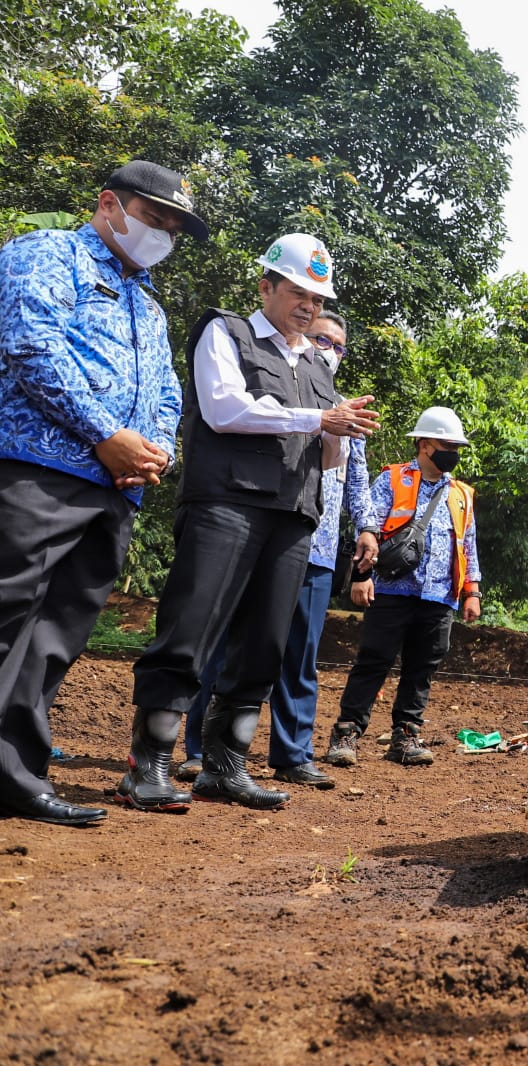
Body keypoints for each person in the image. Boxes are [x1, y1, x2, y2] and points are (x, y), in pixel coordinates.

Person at [122, 234, 378, 813]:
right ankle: (149, 766)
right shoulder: (227, 333)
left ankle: (224, 767)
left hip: (292, 516)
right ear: (266, 287)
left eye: (317, 297)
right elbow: (222, 408)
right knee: (190, 633)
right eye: (297, 292)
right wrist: (320, 416)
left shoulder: (316, 363)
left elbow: (327, 455)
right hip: (226, 506)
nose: (309, 305)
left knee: (264, 643)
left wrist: (341, 430)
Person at [0, 161, 207, 826]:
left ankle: (16, 774)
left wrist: (154, 450)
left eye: (175, 227)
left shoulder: (148, 304)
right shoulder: (47, 254)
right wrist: (105, 434)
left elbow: (168, 391)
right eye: (156, 218)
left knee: (53, 639)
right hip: (40, 470)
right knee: (7, 620)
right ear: (109, 204)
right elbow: (31, 347)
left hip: (114, 492)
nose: (164, 234)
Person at [173, 312, 380, 788]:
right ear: (300, 340)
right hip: (254, 528)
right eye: (321, 339)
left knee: (296, 656)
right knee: (223, 644)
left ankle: (293, 753)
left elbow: (354, 475)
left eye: (338, 346)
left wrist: (367, 527)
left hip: (316, 547)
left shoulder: (344, 408)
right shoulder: (268, 380)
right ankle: (200, 750)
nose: (329, 349)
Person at [324, 407, 481, 768]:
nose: (453, 452)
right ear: (425, 445)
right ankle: (347, 733)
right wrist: (361, 577)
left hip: (440, 595)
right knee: (373, 661)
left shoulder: (461, 494)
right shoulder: (393, 480)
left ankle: (406, 735)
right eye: (447, 444)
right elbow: (368, 528)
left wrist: (471, 591)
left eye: (457, 446)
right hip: (393, 590)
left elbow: (468, 544)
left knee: (422, 667)